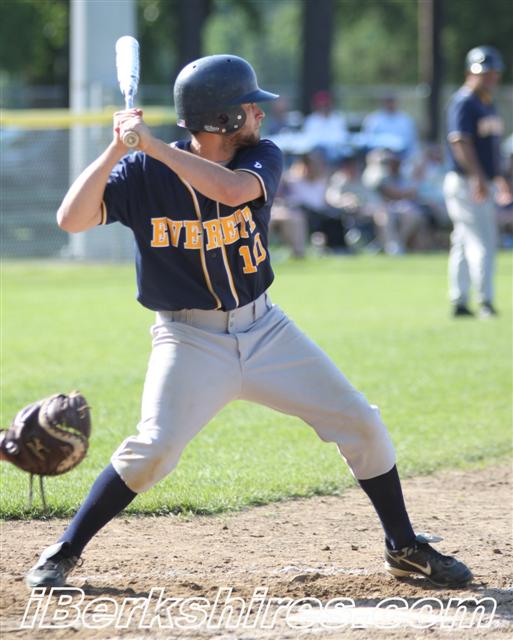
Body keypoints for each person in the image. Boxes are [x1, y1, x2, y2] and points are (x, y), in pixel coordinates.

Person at [25, 54, 471, 590]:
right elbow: (70, 219)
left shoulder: (262, 155)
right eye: (250, 107)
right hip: (187, 340)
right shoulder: (142, 173)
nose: (260, 114)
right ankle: (65, 549)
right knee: (154, 450)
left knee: (361, 423)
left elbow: (232, 192)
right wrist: (118, 149)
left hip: (265, 331)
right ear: (224, 119)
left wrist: (153, 145)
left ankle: (403, 547)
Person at [444, 46, 513, 318]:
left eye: (493, 73)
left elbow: (490, 149)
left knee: (463, 240)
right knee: (483, 240)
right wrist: (478, 177)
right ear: (470, 73)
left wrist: (499, 179)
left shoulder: (486, 102)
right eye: (485, 73)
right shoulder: (465, 101)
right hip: (467, 181)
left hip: (479, 179)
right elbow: (460, 142)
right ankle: (485, 301)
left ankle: (460, 301)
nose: (490, 77)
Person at [362, 94, 419, 163]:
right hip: (379, 158)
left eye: (392, 101)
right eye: (388, 101)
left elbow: (412, 143)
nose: (390, 104)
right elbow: (368, 140)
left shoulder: (406, 120)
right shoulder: (374, 119)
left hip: (402, 158)